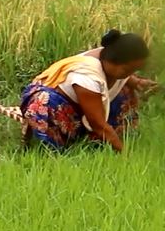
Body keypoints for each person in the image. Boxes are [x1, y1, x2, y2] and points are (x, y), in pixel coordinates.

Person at [20, 29, 155, 152]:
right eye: (127, 70)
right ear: (112, 60)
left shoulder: (109, 55)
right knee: (45, 103)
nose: (128, 74)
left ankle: (111, 137)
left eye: (134, 71)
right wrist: (125, 154)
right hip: (58, 106)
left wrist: (136, 82)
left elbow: (123, 76)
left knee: (126, 90)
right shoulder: (87, 78)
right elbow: (97, 124)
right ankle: (57, 148)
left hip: (85, 105)